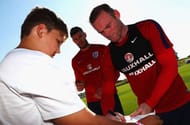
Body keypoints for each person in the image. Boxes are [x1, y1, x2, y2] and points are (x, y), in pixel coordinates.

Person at [0, 6, 163, 125]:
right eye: (58, 42)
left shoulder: (10, 61)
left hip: (107, 99)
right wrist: (140, 124)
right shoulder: (35, 65)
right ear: (41, 31)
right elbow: (85, 122)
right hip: (91, 106)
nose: (58, 51)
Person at [89, 3, 190, 125]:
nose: (107, 34)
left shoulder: (147, 28)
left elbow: (170, 66)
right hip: (151, 114)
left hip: (181, 104)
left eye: (108, 26)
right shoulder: (108, 55)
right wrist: (110, 113)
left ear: (116, 14)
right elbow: (108, 90)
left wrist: (150, 102)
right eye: (101, 32)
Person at [70, 26, 124, 116]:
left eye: (80, 36)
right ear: (73, 42)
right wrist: (79, 86)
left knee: (119, 123)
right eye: (75, 39)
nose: (79, 40)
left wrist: (105, 87)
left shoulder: (102, 49)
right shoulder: (75, 60)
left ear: (84, 35)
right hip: (92, 101)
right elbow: (80, 83)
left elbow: (116, 72)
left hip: (110, 95)